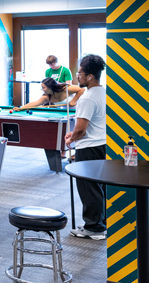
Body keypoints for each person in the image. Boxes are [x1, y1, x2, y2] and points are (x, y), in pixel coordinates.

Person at [65, 54, 107, 239]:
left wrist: (71, 139)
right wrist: (73, 134)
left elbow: (81, 129)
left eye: (80, 73)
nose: (77, 76)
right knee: (98, 187)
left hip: (89, 147)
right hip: (102, 145)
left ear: (90, 76)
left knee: (88, 188)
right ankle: (99, 223)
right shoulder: (103, 92)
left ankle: (95, 228)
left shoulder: (87, 98)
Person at [16, 77, 85, 168]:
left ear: (50, 86)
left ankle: (77, 152)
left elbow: (82, 89)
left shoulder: (65, 89)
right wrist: (21, 108)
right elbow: (35, 103)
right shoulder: (47, 96)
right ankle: (65, 150)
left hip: (80, 109)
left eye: (44, 87)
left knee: (79, 131)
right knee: (69, 132)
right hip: (67, 113)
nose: (42, 89)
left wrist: (74, 100)